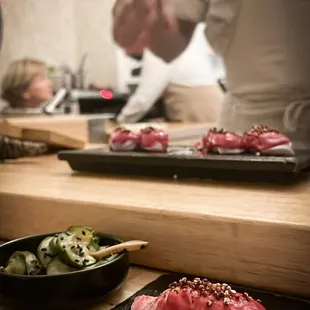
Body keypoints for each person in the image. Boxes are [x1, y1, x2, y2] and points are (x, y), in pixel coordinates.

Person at [112, 0, 310, 152]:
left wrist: (121, 120)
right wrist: (148, 19)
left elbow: (147, 91)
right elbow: (169, 47)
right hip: (240, 131)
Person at [117, 23, 223, 124]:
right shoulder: (176, 38)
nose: (125, 54)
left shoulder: (158, 46)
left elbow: (143, 100)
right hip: (214, 105)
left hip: (198, 111)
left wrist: (120, 122)